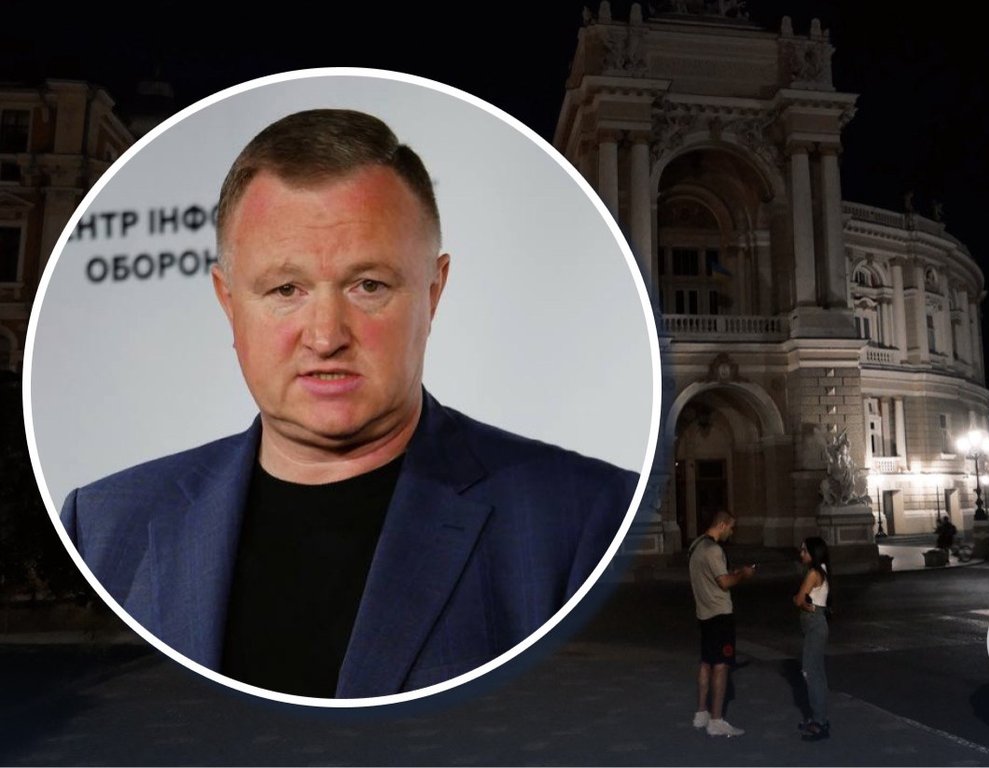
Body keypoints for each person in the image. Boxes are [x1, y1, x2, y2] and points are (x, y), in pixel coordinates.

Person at [58, 109, 639, 699]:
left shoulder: (586, 522)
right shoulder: (102, 526)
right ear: (228, 304)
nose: (325, 336)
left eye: (368, 286)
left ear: (433, 294)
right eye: (286, 289)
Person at [688, 510, 755, 737]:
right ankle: (716, 720)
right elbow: (724, 582)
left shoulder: (696, 546)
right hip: (720, 614)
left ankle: (701, 712)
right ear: (722, 525)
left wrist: (730, 573)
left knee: (706, 661)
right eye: (731, 527)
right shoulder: (714, 550)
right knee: (721, 665)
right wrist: (743, 574)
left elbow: (711, 576)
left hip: (703, 612)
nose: (732, 532)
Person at [794, 536, 831, 741]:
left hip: (814, 624)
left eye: (805, 551)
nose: (802, 554)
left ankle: (819, 721)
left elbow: (799, 599)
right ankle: (819, 717)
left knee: (810, 672)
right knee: (817, 672)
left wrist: (799, 601)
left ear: (813, 553)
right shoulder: (822, 570)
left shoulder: (813, 573)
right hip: (817, 622)